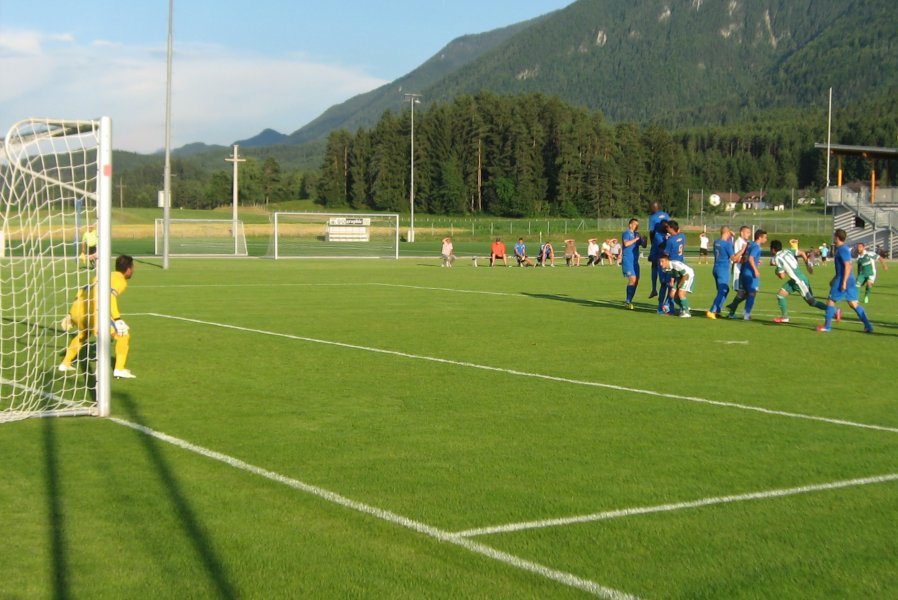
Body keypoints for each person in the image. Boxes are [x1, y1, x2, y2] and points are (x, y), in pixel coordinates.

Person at [58, 254, 137, 379]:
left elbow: (82, 290)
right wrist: (117, 319)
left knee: (84, 334)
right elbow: (109, 295)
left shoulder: (102, 275)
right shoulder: (120, 280)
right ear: (128, 269)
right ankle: (119, 369)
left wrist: (70, 313)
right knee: (123, 335)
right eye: (133, 268)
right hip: (95, 313)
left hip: (80, 311)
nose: (133, 270)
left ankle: (65, 363)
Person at [818, 229, 873, 333]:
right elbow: (842, 267)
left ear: (837, 237)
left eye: (834, 236)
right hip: (849, 279)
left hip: (844, 280)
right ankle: (868, 326)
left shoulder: (843, 249)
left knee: (830, 301)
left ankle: (827, 327)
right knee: (853, 304)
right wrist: (834, 279)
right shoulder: (842, 249)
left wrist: (843, 281)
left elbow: (848, 265)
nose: (833, 237)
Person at [770, 239, 827, 323]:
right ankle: (785, 317)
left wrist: (777, 272)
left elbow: (782, 276)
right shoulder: (787, 251)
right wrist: (807, 264)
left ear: (773, 249)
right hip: (797, 280)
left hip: (799, 282)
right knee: (780, 295)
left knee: (812, 302)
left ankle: (833, 311)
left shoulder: (777, 258)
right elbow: (802, 253)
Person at [726, 229, 767, 320]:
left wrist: (757, 261)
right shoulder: (756, 246)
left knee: (743, 293)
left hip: (744, 271)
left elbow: (748, 257)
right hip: (750, 273)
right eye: (765, 237)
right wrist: (755, 270)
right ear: (760, 237)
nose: (766, 240)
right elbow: (751, 258)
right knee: (752, 293)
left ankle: (732, 308)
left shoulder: (750, 244)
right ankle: (746, 314)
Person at [706, 226, 735, 319]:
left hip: (716, 268)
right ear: (727, 233)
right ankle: (712, 310)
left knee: (724, 290)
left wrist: (730, 236)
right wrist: (742, 250)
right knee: (722, 291)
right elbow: (733, 258)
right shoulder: (727, 245)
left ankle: (717, 309)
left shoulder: (716, 242)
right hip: (723, 269)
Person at [658, 220, 684, 314]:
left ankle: (665, 306)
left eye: (668, 227)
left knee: (669, 285)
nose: (666, 228)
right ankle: (677, 307)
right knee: (678, 287)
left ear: (671, 228)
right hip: (681, 265)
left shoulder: (671, 240)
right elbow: (679, 232)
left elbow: (666, 253)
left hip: (672, 266)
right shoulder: (682, 236)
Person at [620, 218, 646, 309]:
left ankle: (629, 300)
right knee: (632, 279)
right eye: (635, 224)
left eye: (637, 225)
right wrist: (636, 239)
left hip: (635, 261)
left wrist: (643, 240)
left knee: (636, 281)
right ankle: (627, 301)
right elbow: (626, 244)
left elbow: (644, 245)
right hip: (627, 260)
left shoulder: (636, 234)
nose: (636, 226)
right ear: (630, 225)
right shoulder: (626, 233)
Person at [658, 253, 695, 317]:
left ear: (667, 261)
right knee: (672, 295)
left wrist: (680, 285)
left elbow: (686, 275)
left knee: (681, 293)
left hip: (688, 275)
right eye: (660, 262)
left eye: (662, 261)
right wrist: (672, 281)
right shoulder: (665, 268)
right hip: (679, 277)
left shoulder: (675, 265)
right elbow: (673, 273)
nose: (661, 264)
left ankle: (686, 313)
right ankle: (684, 307)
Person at [647, 201, 671, 298]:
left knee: (654, 265)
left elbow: (651, 232)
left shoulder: (652, 218)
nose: (650, 209)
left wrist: (653, 243)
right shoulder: (666, 214)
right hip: (667, 239)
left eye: (651, 207)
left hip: (657, 242)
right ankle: (664, 285)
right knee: (665, 264)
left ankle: (654, 289)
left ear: (654, 208)